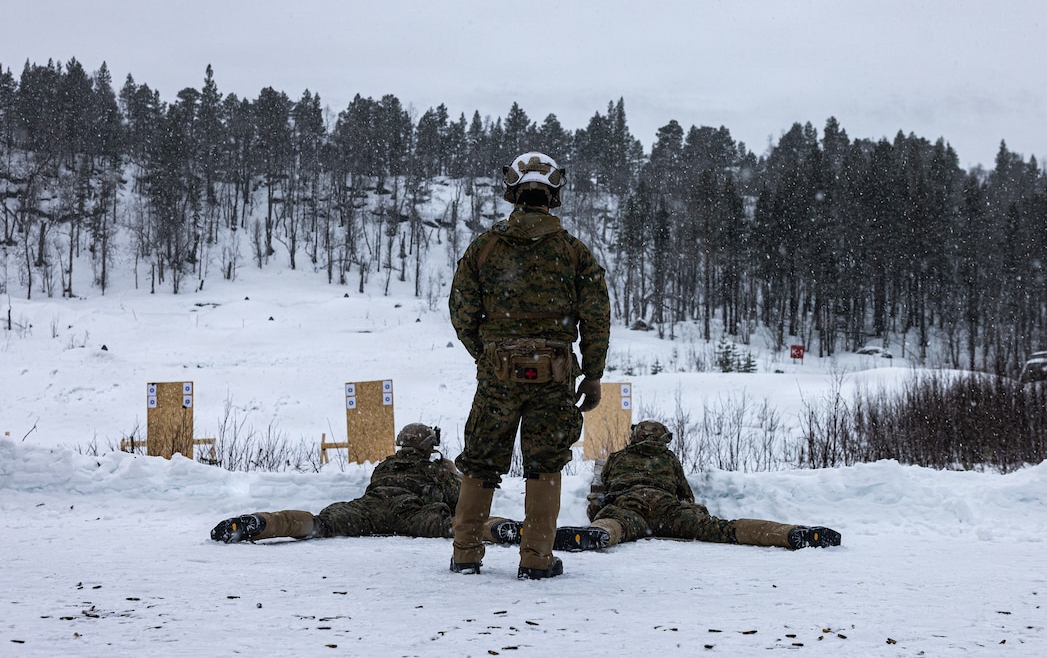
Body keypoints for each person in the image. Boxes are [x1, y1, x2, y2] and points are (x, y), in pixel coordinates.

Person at [447, 151, 611, 579]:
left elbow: (461, 308)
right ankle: (536, 559)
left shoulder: (485, 246)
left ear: (513, 193)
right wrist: (592, 376)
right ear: (553, 195)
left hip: (497, 373)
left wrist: (485, 352)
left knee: (481, 461)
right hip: (554, 375)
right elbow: (596, 318)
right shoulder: (575, 253)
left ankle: (465, 553)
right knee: (545, 464)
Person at [557, 420, 842, 551]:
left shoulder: (618, 457)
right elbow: (686, 495)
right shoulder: (669, 458)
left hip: (631, 507)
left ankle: (596, 536)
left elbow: (600, 493)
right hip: (669, 510)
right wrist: (691, 516)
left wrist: (600, 514)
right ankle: (789, 534)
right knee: (722, 530)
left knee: (615, 525)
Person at [210, 423, 514, 543]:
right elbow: (460, 501)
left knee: (320, 523)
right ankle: (507, 530)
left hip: (367, 512)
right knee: (463, 525)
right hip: (412, 516)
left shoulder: (385, 466)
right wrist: (449, 472)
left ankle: (264, 523)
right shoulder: (435, 470)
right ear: (427, 447)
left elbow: (375, 490)